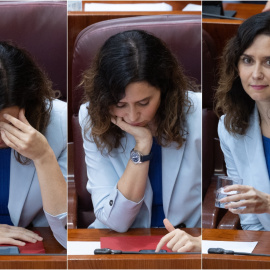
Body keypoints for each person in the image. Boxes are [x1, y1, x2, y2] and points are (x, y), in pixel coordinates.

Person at [79, 30, 201, 252]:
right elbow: (116, 222)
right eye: (120, 104)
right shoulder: (91, 116)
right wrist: (142, 147)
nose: (133, 117)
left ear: (164, 90)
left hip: (183, 243)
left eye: (144, 103)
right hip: (117, 244)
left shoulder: (197, 112)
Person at [0, 41, 67, 248]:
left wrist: (44, 157)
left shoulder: (60, 122)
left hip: (33, 248)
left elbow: (67, 237)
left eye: (9, 124)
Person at [215, 11, 270, 231]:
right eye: (248, 60)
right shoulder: (231, 128)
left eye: (269, 62)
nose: (256, 74)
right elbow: (250, 218)